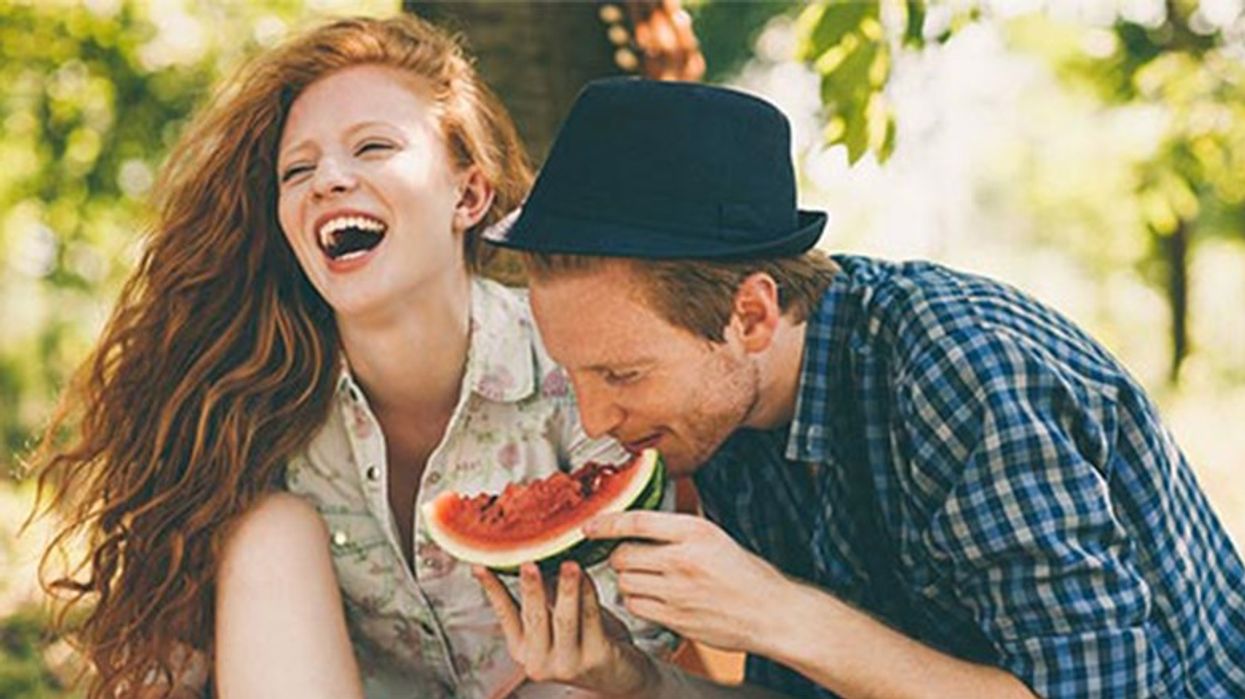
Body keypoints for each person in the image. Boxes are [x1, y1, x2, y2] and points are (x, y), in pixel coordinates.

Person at [478, 77, 1245, 698]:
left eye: (622, 374)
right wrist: (635, 679)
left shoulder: (962, 376)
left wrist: (777, 611)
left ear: (750, 313)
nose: (596, 417)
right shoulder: (726, 421)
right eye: (574, 374)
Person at [29, 18, 674, 699]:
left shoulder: (577, 366)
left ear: (468, 195)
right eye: (297, 169)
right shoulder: (248, 400)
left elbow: (640, 642)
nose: (328, 180)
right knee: (268, 530)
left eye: (372, 146)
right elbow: (175, 659)